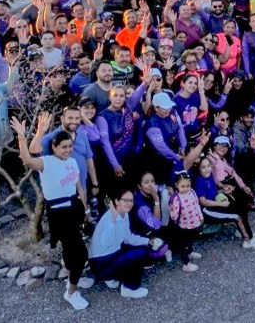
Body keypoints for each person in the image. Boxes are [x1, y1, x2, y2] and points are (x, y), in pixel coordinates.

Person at [13, 114, 93, 310]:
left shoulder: (72, 163)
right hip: (59, 213)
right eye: (63, 147)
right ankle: (71, 292)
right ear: (54, 148)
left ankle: (72, 275)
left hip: (74, 208)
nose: (67, 150)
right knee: (81, 254)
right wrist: (23, 136)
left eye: (69, 147)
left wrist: (85, 209)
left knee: (71, 250)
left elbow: (79, 188)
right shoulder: (47, 162)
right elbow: (27, 159)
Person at [89, 189, 160, 299]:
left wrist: (147, 241)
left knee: (143, 247)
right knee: (139, 253)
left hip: (110, 255)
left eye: (131, 200)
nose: (129, 203)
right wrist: (113, 220)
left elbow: (127, 238)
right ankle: (129, 288)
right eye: (125, 200)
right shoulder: (111, 217)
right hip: (101, 262)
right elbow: (105, 242)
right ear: (117, 201)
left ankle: (110, 278)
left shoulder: (124, 215)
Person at [168, 171, 205, 273]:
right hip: (182, 226)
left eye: (188, 186)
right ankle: (186, 263)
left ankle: (190, 251)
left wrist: (200, 217)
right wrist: (172, 210)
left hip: (193, 223)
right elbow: (174, 216)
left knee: (190, 239)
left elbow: (197, 205)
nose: (186, 188)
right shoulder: (176, 198)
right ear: (177, 185)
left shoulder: (192, 192)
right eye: (183, 186)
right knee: (183, 243)